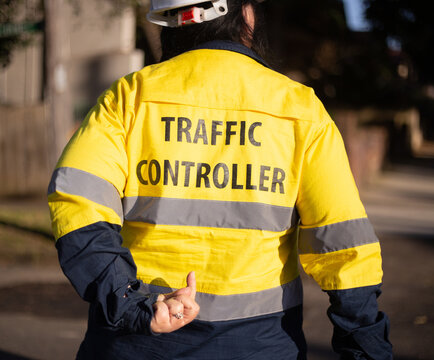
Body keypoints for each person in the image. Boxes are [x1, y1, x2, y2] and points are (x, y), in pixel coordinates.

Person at [47, 0, 393, 358]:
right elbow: (345, 247)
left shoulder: (129, 98)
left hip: (138, 341)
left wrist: (126, 299)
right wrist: (366, 348)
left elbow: (77, 204)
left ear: (170, 23)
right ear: (245, 14)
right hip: (261, 346)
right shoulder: (300, 109)